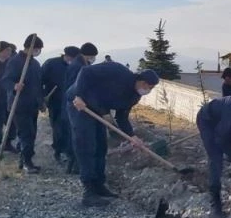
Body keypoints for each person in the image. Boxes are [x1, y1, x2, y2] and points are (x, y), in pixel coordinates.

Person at [67, 63, 159, 207]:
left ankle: (99, 185)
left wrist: (132, 136)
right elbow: (85, 72)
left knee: (101, 146)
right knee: (86, 145)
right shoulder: (118, 71)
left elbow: (121, 118)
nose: (147, 89)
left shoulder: (133, 97)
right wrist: (78, 95)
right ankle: (88, 191)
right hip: (80, 104)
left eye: (151, 87)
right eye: (146, 85)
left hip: (98, 110)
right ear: (139, 79)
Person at [1, 34, 45, 173]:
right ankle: (27, 162)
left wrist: (41, 102)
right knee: (26, 133)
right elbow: (5, 80)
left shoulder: (35, 63)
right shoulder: (15, 61)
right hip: (19, 104)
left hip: (32, 105)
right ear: (31, 47)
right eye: (38, 48)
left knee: (31, 134)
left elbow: (38, 85)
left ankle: (24, 159)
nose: (39, 51)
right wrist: (14, 86)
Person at [62, 42, 98, 173]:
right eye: (93, 56)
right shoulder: (78, 67)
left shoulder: (81, 64)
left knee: (77, 135)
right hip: (75, 105)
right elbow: (73, 87)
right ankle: (74, 164)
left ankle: (74, 165)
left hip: (77, 104)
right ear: (88, 55)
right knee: (77, 136)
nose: (93, 59)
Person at [41, 46, 80, 163]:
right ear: (66, 55)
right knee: (57, 127)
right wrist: (43, 97)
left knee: (69, 127)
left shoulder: (77, 66)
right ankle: (58, 150)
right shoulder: (51, 64)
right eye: (71, 58)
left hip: (71, 102)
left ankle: (69, 152)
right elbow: (40, 80)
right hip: (55, 101)